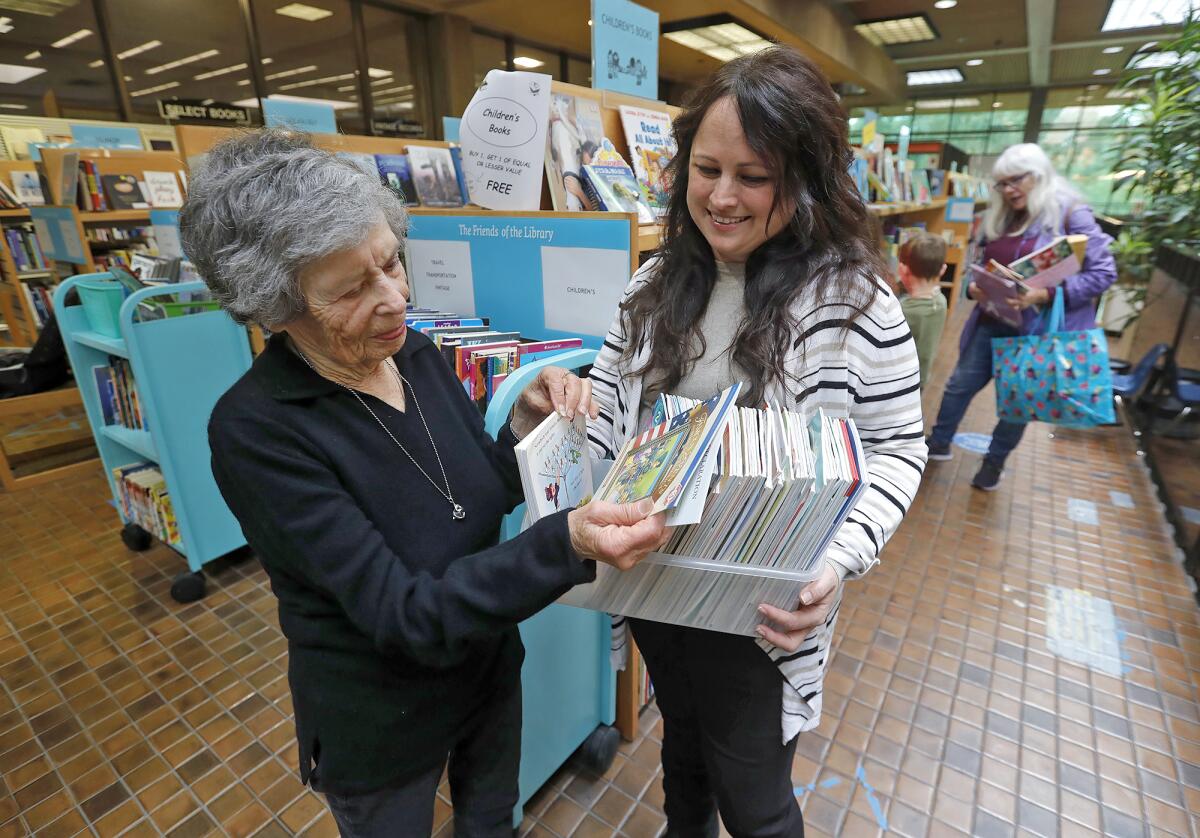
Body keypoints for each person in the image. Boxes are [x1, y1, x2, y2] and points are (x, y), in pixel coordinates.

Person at [179, 129, 668, 837]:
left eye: (391, 263)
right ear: (274, 307)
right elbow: (402, 614)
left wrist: (523, 428)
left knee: (491, 822)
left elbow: (474, 490)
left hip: (486, 666)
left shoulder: (413, 352)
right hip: (379, 716)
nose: (396, 297)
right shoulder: (257, 431)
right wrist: (567, 544)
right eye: (352, 288)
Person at [587, 47, 926, 837]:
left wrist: (837, 563)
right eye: (706, 169)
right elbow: (609, 407)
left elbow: (898, 448)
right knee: (682, 744)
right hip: (656, 582)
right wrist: (560, 402)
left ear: (802, 178)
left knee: (757, 795)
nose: (722, 196)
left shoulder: (854, 304)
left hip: (765, 609)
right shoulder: (652, 286)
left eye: (754, 175)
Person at [926, 143, 1117, 490]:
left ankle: (994, 464)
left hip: (1035, 330)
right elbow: (981, 262)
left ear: (1039, 175)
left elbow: (1103, 273)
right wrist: (974, 287)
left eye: (1016, 180)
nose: (1009, 190)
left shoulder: (1072, 213)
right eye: (1002, 183)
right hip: (991, 318)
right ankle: (938, 444)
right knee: (958, 385)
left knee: (1018, 401)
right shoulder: (1001, 214)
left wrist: (1046, 294)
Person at [897, 233, 949, 389]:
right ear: (943, 270)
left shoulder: (902, 311)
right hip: (920, 379)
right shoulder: (940, 301)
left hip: (898, 382)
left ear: (902, 269)